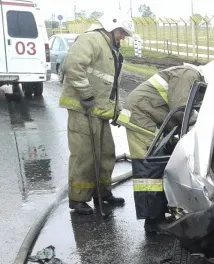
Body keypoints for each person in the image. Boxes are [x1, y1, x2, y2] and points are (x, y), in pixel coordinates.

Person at [116, 64, 205, 234]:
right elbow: (180, 110)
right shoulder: (189, 75)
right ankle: (153, 221)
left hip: (149, 116)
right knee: (150, 165)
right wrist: (201, 121)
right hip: (141, 116)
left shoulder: (192, 77)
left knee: (160, 161)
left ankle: (159, 213)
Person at [59, 10, 133, 215]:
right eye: (121, 32)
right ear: (111, 26)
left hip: (99, 111)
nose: (123, 36)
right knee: (85, 155)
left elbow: (111, 86)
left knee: (106, 153)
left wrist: (116, 111)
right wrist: (86, 94)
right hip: (82, 109)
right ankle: (78, 199)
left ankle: (102, 193)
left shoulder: (112, 49)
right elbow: (72, 65)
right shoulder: (91, 39)